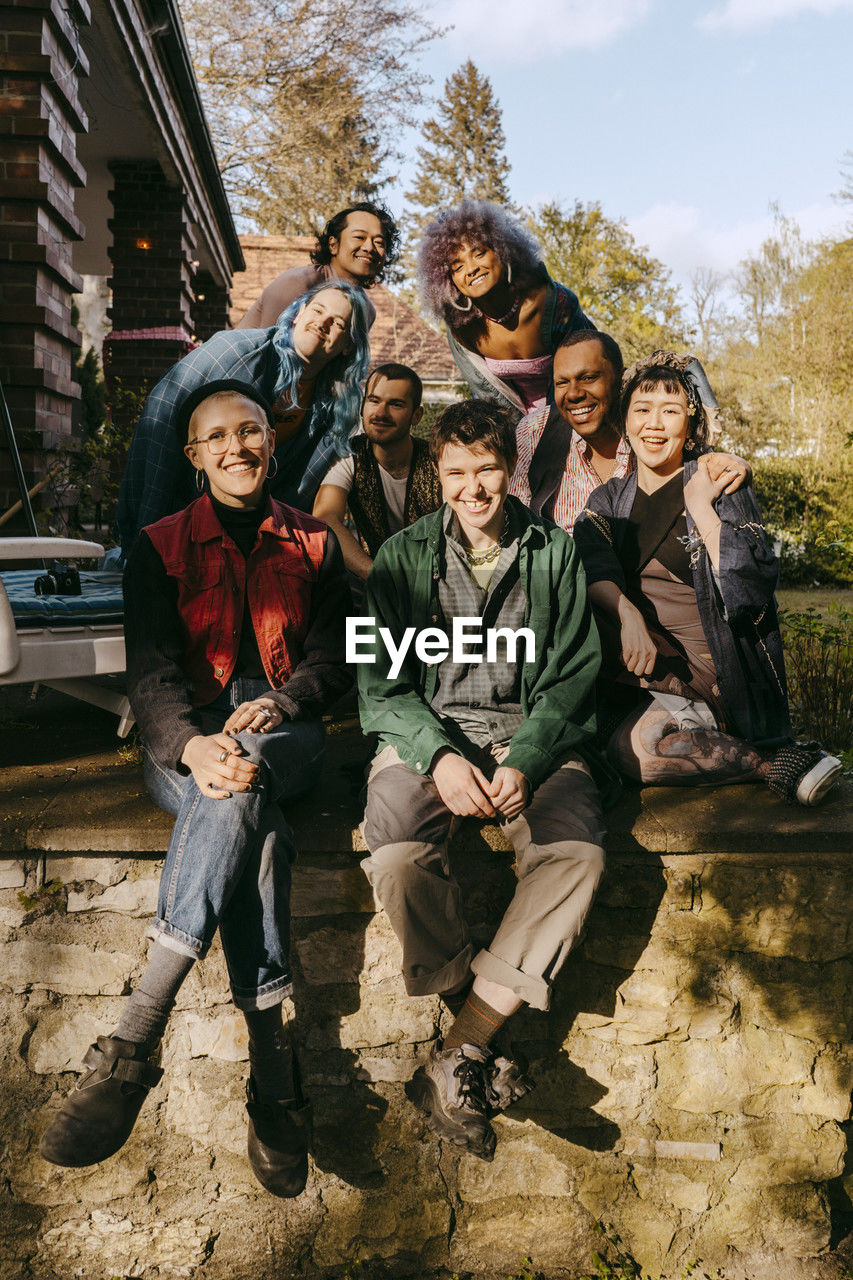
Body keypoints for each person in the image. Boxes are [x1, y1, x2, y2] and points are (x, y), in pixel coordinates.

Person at [41, 383, 353, 1196]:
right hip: (183, 734)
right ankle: (272, 1075)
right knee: (254, 820)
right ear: (194, 456)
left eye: (249, 430)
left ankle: (133, 1040)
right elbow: (148, 676)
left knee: (248, 776)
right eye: (216, 437)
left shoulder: (314, 542)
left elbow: (333, 664)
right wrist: (190, 747)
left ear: (270, 442)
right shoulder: (158, 544)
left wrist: (279, 704)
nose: (236, 446)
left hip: (289, 730)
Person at [357, 398, 614, 1161]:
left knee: (578, 858)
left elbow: (570, 678)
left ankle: (461, 1048)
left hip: (531, 736)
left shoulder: (553, 553)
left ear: (511, 470)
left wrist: (526, 760)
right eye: (457, 472)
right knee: (399, 857)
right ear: (437, 475)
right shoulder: (400, 557)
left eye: (488, 470)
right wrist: (437, 756)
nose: (473, 488)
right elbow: (378, 684)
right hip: (427, 741)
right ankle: (478, 1039)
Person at [573, 352, 842, 805]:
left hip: (712, 668)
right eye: (642, 409)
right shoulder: (608, 498)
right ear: (625, 419)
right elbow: (593, 565)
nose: (654, 424)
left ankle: (775, 765)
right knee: (601, 741)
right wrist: (628, 613)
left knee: (640, 751)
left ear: (690, 422)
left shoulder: (718, 481)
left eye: (670, 411)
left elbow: (752, 591)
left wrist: (701, 508)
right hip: (634, 658)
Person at [117, 281, 370, 555]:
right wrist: (144, 532)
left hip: (255, 536)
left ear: (348, 345)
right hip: (184, 507)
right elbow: (162, 415)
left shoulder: (339, 406)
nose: (322, 323)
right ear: (299, 313)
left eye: (338, 323)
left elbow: (302, 489)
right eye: (317, 310)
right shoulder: (235, 352)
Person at [509, 332, 749, 533]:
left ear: (620, 377)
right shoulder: (536, 432)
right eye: (562, 382)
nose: (573, 393)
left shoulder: (649, 432)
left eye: (589, 378)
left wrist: (737, 464)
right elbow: (513, 524)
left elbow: (708, 462)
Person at [417, 199, 594, 419]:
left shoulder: (551, 302)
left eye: (479, 253)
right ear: (449, 281)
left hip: (571, 417)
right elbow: (488, 398)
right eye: (458, 267)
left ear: (502, 250)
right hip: (509, 428)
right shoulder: (462, 330)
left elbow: (591, 369)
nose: (471, 269)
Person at [312, 363, 442, 581]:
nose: (381, 413)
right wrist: (373, 574)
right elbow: (325, 517)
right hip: (370, 579)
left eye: (396, 404)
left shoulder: (438, 460)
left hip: (435, 579)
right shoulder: (349, 454)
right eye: (374, 400)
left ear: (416, 415)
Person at [236, 201, 399, 330]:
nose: (369, 247)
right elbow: (267, 356)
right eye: (359, 237)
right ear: (333, 244)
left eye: (379, 242)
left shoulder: (366, 312)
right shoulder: (299, 283)